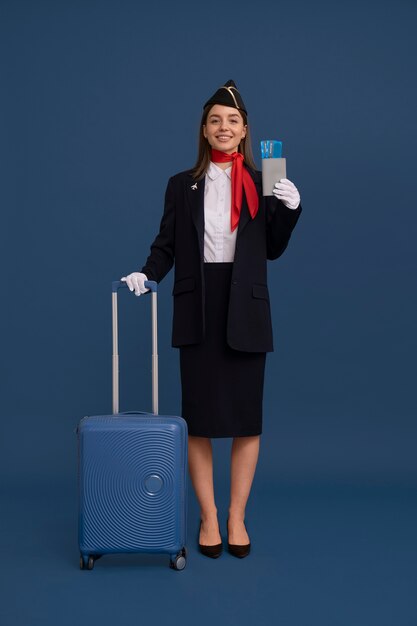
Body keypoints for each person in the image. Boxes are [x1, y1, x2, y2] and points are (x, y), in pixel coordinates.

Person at [122, 80, 302, 559]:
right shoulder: (181, 185)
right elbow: (167, 244)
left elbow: (274, 248)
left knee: (247, 420)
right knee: (198, 419)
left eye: (233, 120)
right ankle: (207, 515)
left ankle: (236, 515)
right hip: (198, 302)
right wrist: (147, 274)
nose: (225, 127)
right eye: (216, 120)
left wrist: (290, 207)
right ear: (204, 130)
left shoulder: (264, 180)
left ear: (245, 131)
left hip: (246, 305)